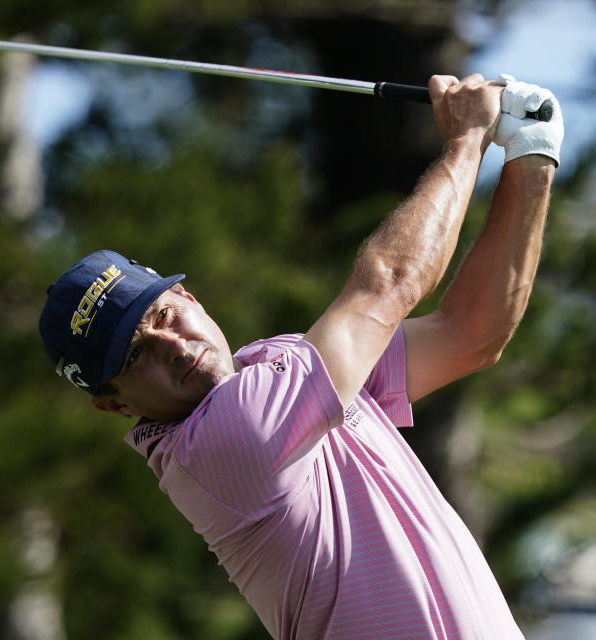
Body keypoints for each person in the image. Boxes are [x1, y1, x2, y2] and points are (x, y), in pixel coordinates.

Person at [39, 73, 563, 640]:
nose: (173, 346)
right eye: (135, 355)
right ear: (115, 406)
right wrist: (467, 141)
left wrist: (532, 154)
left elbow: (471, 334)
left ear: (189, 298)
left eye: (164, 317)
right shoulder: (220, 442)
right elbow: (389, 283)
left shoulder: (285, 366)